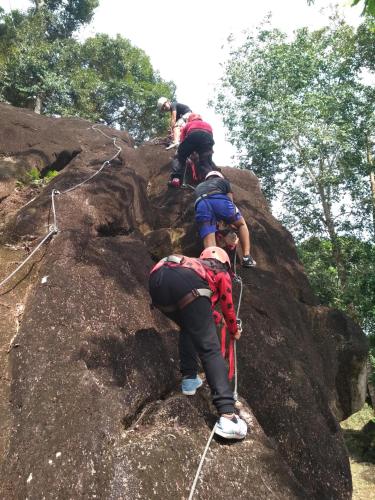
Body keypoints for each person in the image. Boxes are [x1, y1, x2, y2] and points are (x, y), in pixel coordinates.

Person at [149, 246, 247, 440]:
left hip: (157, 280)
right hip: (185, 285)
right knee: (210, 348)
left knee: (189, 326)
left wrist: (216, 319)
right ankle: (228, 415)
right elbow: (228, 306)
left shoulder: (194, 264)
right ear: (225, 262)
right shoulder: (220, 271)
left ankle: (190, 379)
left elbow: (200, 313)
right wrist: (234, 330)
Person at [194, 171, 256, 268]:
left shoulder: (199, 186)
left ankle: (213, 266)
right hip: (220, 201)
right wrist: (230, 220)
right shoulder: (223, 182)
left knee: (209, 237)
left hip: (202, 204)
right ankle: (247, 257)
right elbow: (229, 200)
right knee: (241, 224)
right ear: (219, 177)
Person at [168, 114, 215, 188]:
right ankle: (211, 182)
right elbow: (210, 138)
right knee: (206, 162)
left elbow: (182, 140)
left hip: (193, 135)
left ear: (190, 119)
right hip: (207, 139)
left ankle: (176, 178)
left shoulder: (188, 124)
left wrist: (186, 150)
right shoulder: (208, 124)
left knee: (179, 156)